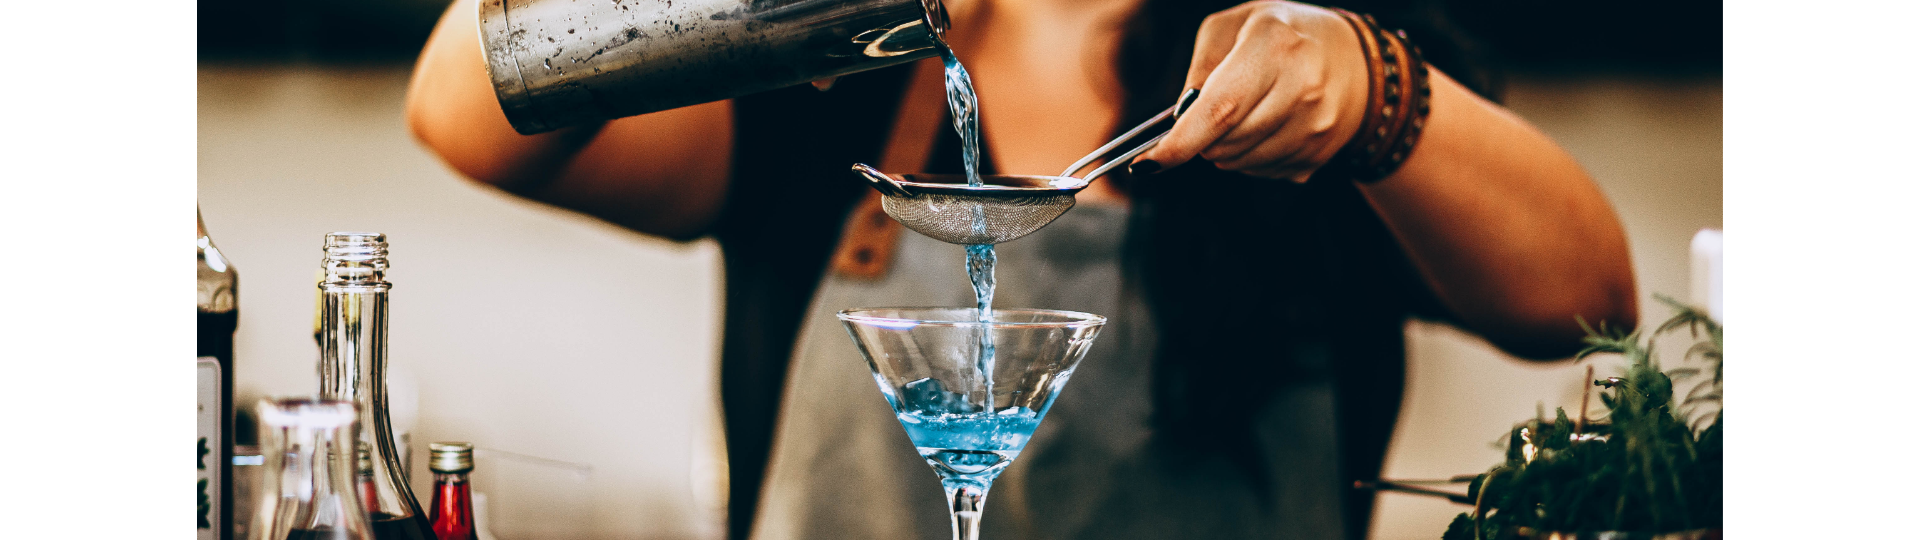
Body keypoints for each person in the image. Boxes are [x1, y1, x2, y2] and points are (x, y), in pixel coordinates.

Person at [406, 0, 1638, 538]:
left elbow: (1584, 302)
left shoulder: (1303, 59)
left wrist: (1372, 86)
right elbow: (469, 104)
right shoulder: (824, 52)